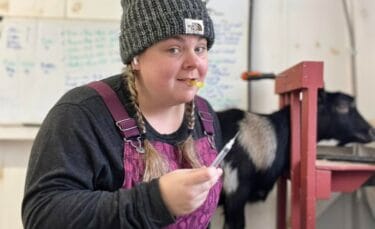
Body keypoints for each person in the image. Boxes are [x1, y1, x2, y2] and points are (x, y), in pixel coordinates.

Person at [22, 0, 224, 228]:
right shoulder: (81, 114)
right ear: (136, 57)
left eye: (200, 48)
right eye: (174, 49)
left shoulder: (205, 116)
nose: (194, 62)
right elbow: (43, 215)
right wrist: (155, 201)